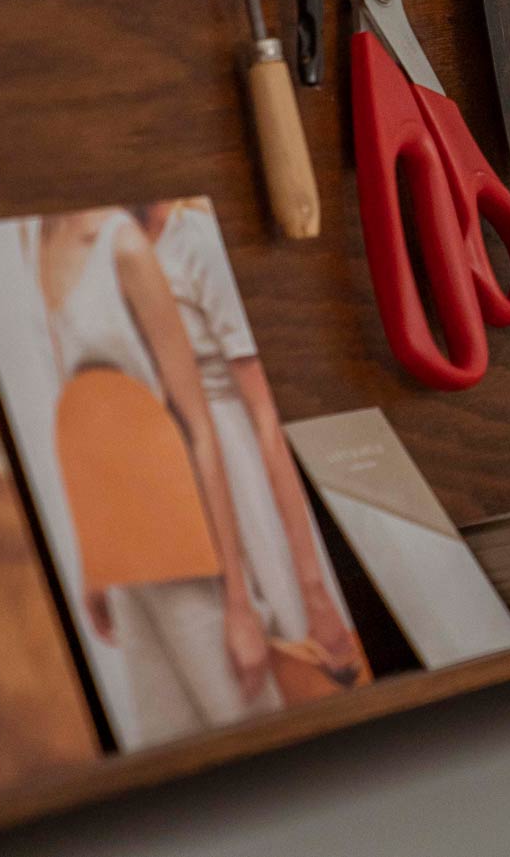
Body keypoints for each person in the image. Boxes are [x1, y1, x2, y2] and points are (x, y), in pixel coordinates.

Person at [35, 209, 278, 744]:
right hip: (125, 560)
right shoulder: (40, 240)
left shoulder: (122, 247)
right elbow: (86, 418)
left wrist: (239, 604)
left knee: (255, 749)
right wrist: (92, 561)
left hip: (188, 550)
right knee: (170, 755)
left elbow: (198, 428)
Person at [138, 201, 357, 679]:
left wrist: (313, 590)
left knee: (292, 639)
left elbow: (265, 419)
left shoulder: (191, 239)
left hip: (240, 457)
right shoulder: (118, 245)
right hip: (180, 467)